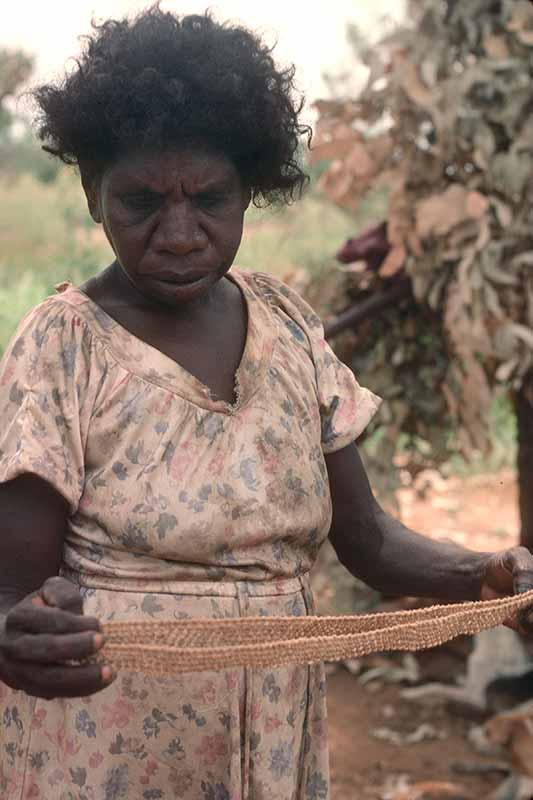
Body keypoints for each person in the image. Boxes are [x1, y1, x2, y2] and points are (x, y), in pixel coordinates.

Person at [0, 6, 531, 799]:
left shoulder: (285, 323)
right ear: (89, 192)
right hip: (104, 744)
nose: (179, 233)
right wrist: (15, 631)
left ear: (250, 189)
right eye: (141, 201)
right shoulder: (63, 345)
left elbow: (367, 540)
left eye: (209, 199)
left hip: (272, 725)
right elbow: (15, 587)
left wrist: (481, 572)